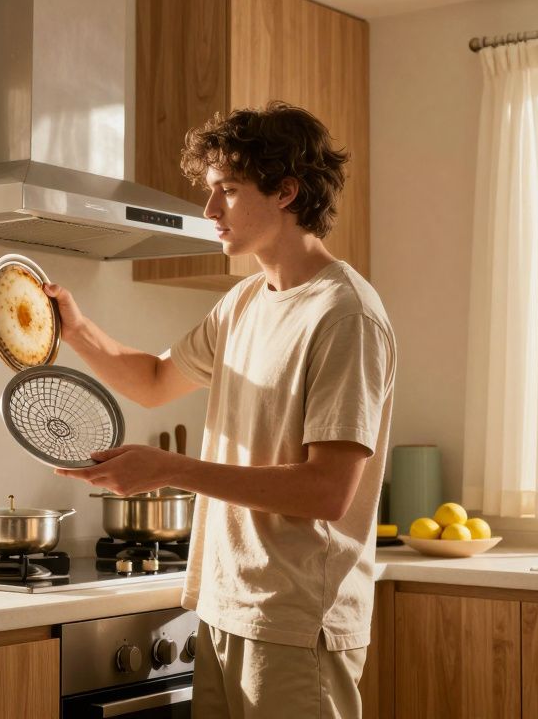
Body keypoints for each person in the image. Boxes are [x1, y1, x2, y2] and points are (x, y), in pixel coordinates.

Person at [50, 101, 396, 718]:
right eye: (210, 191)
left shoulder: (346, 314)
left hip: (296, 623)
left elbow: (326, 491)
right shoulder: (243, 302)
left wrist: (169, 469)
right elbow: (154, 380)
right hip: (222, 606)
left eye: (228, 191)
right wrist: (75, 330)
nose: (210, 210)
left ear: (286, 191)